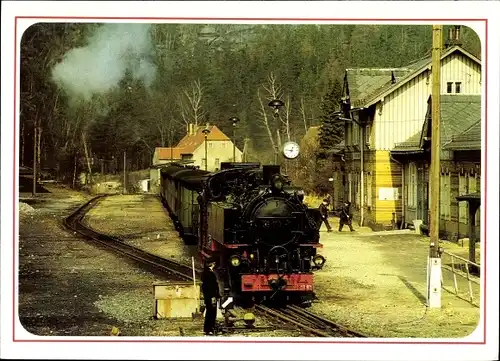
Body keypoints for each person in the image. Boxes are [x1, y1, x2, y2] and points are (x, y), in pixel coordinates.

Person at [201, 256, 220, 335]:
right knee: (211, 313)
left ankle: (208, 328)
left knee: (210, 312)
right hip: (211, 296)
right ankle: (209, 329)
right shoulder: (209, 274)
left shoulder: (206, 273)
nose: (214, 264)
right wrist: (214, 296)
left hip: (209, 296)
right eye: (213, 263)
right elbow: (211, 287)